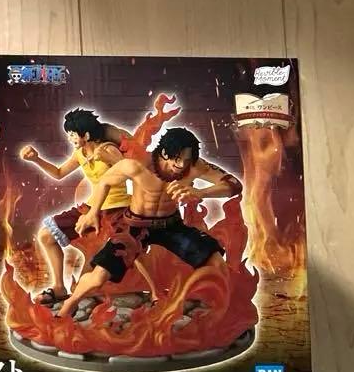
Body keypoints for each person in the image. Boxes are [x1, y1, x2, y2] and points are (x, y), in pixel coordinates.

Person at [60, 127, 242, 316]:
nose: (181, 165)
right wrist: (93, 212)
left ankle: (225, 311)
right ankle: (69, 305)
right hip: (135, 225)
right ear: (164, 153)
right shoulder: (138, 163)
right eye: (176, 159)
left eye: (186, 160)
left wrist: (201, 192)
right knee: (99, 277)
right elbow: (105, 181)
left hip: (171, 225)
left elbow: (234, 184)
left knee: (216, 262)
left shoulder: (195, 166)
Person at [19, 108, 153, 307]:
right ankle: (59, 288)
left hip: (118, 208)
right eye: (69, 134)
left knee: (131, 249)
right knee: (46, 235)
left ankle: (155, 291)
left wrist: (114, 160)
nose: (69, 138)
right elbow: (59, 173)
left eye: (72, 134)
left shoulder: (108, 149)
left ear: (87, 135)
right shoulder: (80, 153)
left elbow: (132, 171)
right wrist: (36, 159)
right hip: (91, 207)